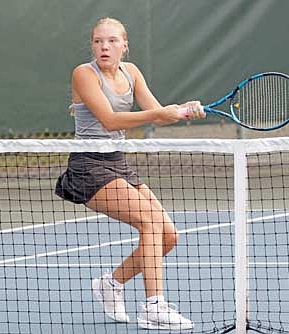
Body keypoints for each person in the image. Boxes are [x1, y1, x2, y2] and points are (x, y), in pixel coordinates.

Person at [55, 17, 205, 330]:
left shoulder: (131, 72)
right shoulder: (84, 74)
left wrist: (183, 110)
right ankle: (153, 307)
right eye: (98, 41)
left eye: (111, 41)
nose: (104, 47)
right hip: (89, 166)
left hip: (118, 161)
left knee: (168, 237)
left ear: (125, 45)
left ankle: (110, 283)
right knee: (148, 222)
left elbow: (159, 115)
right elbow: (110, 120)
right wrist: (160, 113)